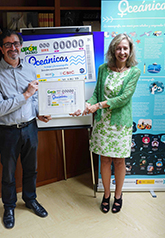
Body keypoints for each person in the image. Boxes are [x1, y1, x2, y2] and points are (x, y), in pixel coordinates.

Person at [0, 29, 52, 229]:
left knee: (31, 169)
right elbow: (1, 108)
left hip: (31, 127)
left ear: (21, 46)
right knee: (9, 172)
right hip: (7, 131)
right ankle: (9, 206)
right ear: (1, 48)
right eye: (7, 44)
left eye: (16, 44)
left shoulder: (30, 69)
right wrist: (27, 94)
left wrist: (39, 112)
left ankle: (30, 199)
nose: (13, 48)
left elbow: (35, 98)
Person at [71, 33, 140, 213]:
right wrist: (88, 104)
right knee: (104, 160)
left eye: (125, 48)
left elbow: (123, 99)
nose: (122, 52)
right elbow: (96, 94)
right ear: (113, 50)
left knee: (119, 161)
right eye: (118, 48)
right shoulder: (103, 69)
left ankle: (118, 196)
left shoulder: (134, 72)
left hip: (120, 124)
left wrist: (98, 106)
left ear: (130, 51)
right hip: (103, 123)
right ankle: (107, 194)